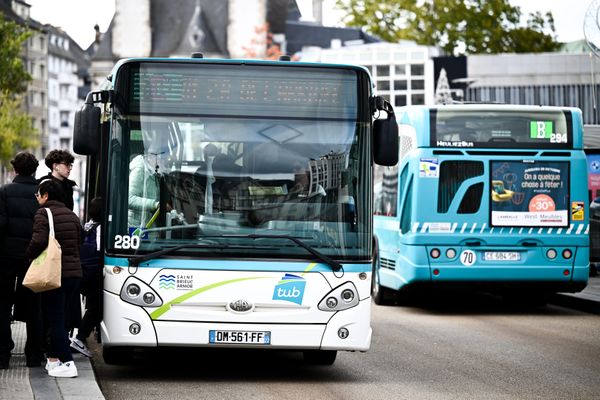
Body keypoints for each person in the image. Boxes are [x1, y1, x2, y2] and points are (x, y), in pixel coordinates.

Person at [26, 179, 82, 378]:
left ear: (46, 195)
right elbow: (79, 241)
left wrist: (29, 254)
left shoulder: (43, 213)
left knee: (55, 320)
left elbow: (39, 240)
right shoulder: (72, 215)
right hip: (74, 274)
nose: (37, 198)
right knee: (61, 318)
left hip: (56, 274)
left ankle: (68, 362)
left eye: (38, 194)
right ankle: (54, 359)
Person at [0, 152, 44, 369]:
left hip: (6, 256)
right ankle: (34, 355)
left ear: (15, 169)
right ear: (35, 170)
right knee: (34, 306)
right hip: (34, 258)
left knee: (2, 305)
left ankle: (2, 355)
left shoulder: (4, 192)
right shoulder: (41, 193)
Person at [70, 198, 102, 358]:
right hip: (94, 273)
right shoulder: (102, 229)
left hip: (83, 271)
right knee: (97, 307)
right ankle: (80, 338)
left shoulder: (88, 226)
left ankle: (77, 336)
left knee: (93, 306)